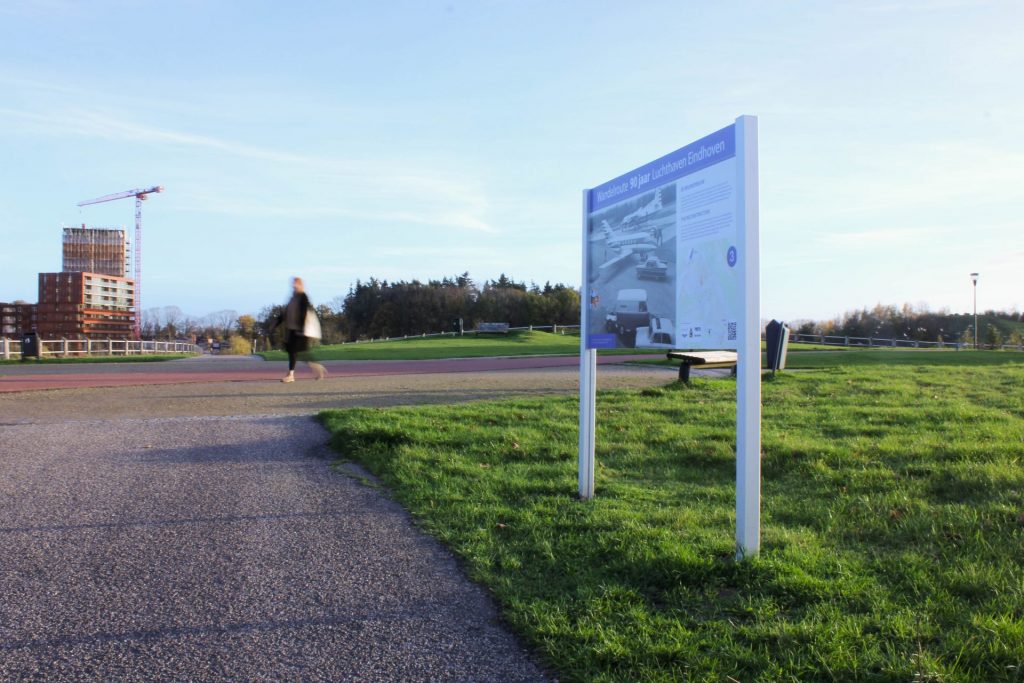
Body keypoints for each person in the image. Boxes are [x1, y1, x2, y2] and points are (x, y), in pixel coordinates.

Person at [273, 277, 327, 383]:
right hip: (292, 329)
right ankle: (317, 367)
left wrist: (301, 329)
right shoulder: (293, 297)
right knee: (298, 352)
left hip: (300, 330)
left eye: (296, 284)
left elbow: (303, 313)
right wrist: (276, 323)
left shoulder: (303, 297)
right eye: (293, 284)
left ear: (300, 285)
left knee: (294, 352)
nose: (294, 286)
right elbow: (286, 313)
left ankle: (291, 375)